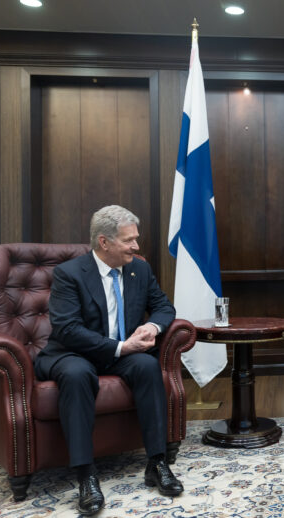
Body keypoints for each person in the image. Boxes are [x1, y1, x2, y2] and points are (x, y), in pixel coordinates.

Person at [34, 205, 183, 516]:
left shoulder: (139, 269)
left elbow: (164, 307)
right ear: (104, 242)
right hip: (73, 353)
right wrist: (120, 347)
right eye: (128, 240)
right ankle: (86, 474)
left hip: (121, 353)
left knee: (145, 366)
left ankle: (157, 462)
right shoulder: (70, 274)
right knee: (76, 375)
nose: (136, 246)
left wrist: (151, 326)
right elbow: (67, 328)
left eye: (135, 239)